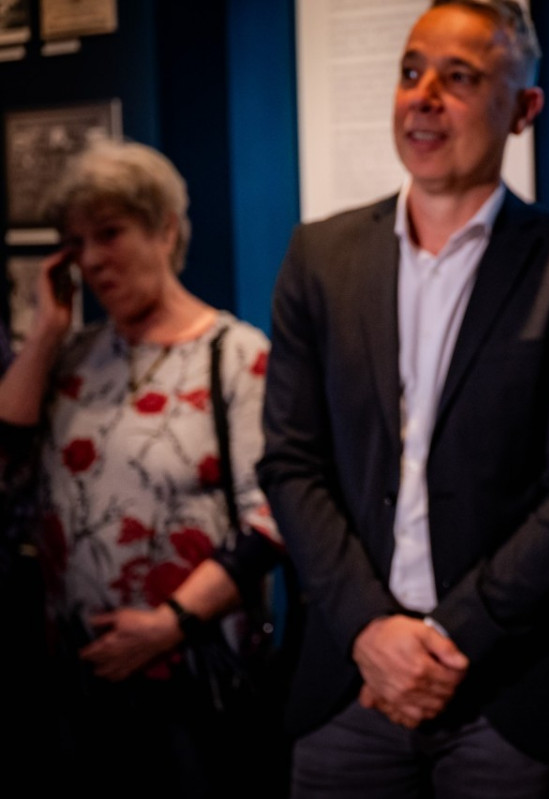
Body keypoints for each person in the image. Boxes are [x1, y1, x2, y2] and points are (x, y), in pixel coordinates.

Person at [255, 1, 549, 797]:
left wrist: (443, 639)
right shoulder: (319, 257)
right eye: (411, 71)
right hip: (347, 675)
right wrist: (371, 629)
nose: (423, 96)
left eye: (458, 77)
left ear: (524, 108)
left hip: (510, 685)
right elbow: (290, 461)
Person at [0, 139, 287, 798]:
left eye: (110, 233)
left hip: (194, 675)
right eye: (77, 244)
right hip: (79, 680)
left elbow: (272, 517)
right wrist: (45, 333)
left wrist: (169, 624)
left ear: (165, 230)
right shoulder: (71, 360)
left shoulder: (234, 356)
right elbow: (6, 461)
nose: (93, 259)